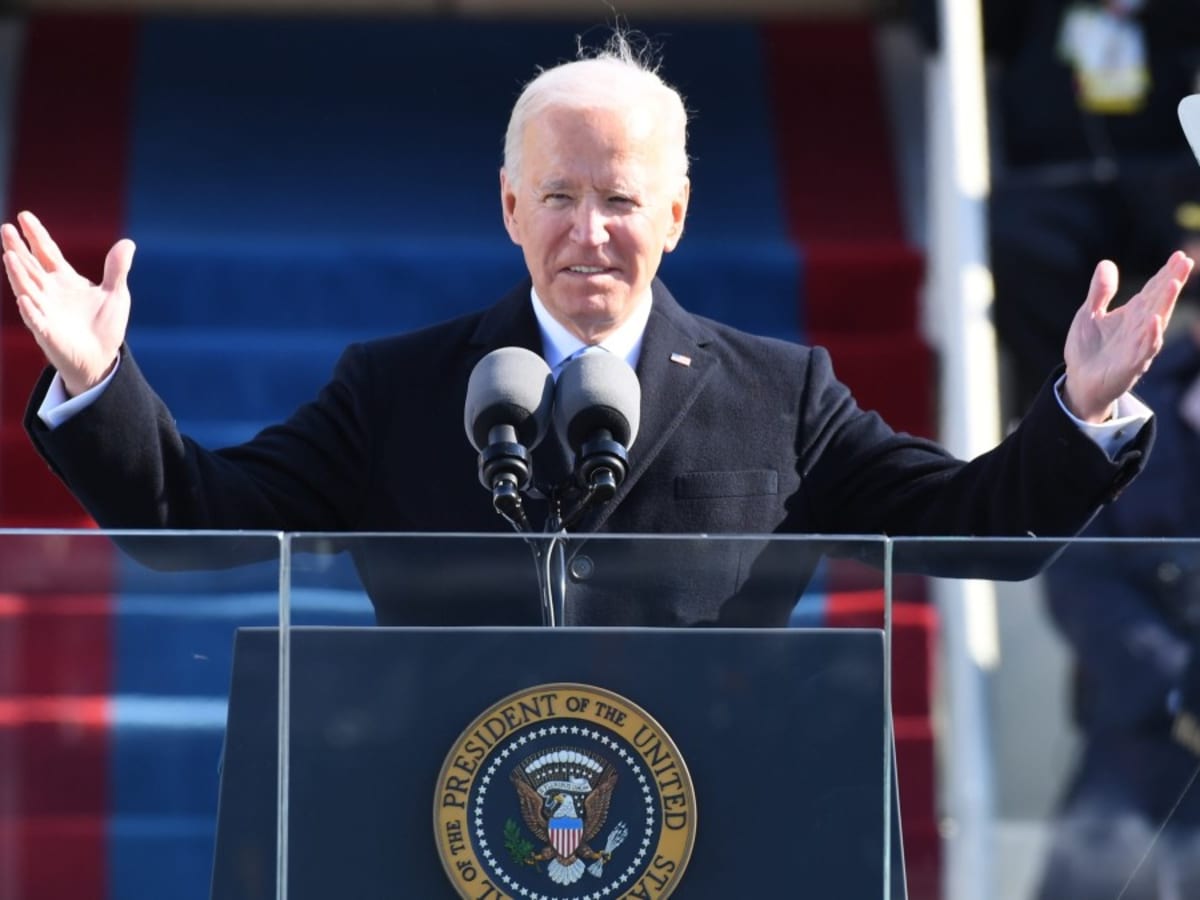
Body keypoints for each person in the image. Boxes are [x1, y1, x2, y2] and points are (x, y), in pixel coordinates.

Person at [0, 33, 1193, 626]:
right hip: (435, 824)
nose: (589, 231)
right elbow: (200, 525)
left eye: (621, 199)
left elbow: (979, 534)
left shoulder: (782, 395)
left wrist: (1081, 411)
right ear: (510, 205)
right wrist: (103, 386)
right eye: (560, 197)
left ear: (673, 213)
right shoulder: (397, 390)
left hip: (714, 828)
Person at [913, 0, 1200, 421]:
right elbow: (936, 27)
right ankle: (1072, 412)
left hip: (1169, 188)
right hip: (1053, 188)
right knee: (1013, 243)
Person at [1036, 323, 1200, 899]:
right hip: (1139, 730)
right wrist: (1180, 686)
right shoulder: (1124, 410)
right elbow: (1078, 571)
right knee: (1096, 869)